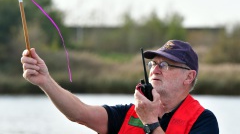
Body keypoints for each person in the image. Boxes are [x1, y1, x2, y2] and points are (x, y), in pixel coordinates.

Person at [21, 40, 219, 134]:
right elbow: (79, 114)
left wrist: (150, 122)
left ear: (189, 76)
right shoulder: (129, 114)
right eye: (153, 64)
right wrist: (45, 80)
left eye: (165, 65)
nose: (155, 70)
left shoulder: (204, 121)